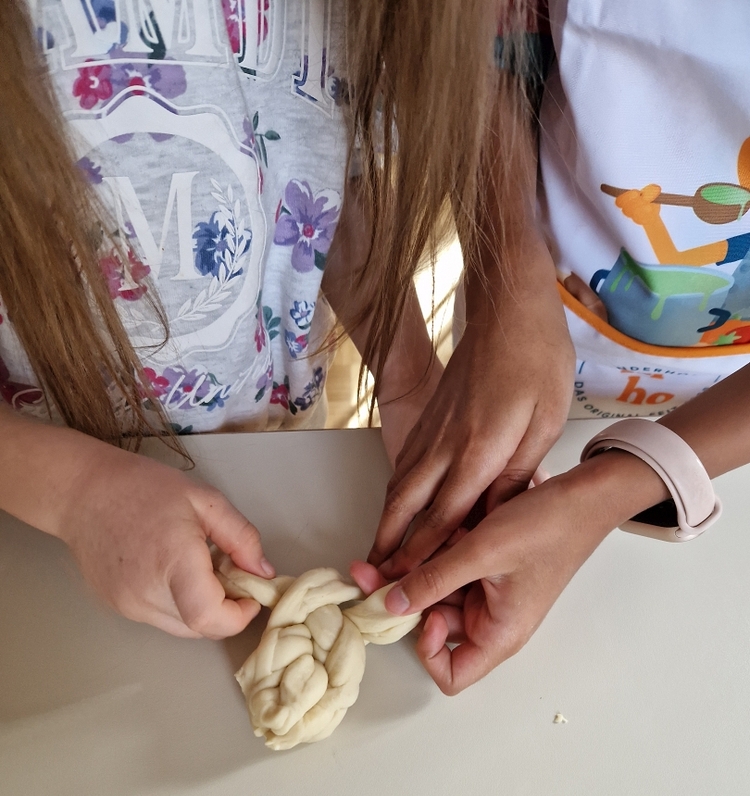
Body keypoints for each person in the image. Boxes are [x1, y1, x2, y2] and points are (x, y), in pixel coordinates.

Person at [0, 0, 517, 639]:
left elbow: (323, 177)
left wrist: (407, 372)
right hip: (34, 503)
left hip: (281, 437)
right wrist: (76, 493)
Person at [355, 0, 750, 693]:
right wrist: (507, 264)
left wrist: (604, 494)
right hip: (526, 320)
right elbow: (476, 29)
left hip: (728, 420)